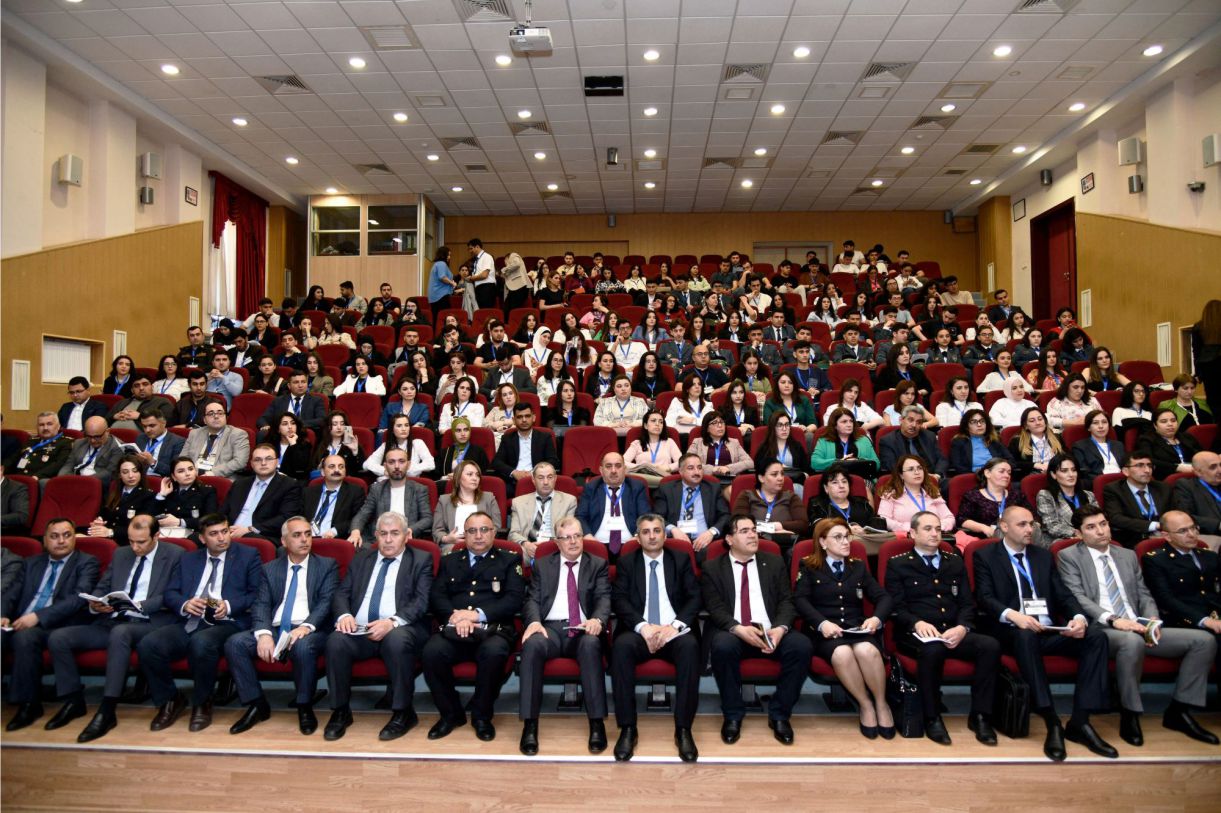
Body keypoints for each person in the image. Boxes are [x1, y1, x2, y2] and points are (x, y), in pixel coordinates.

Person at [1058, 505, 1218, 746]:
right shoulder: (1069, 556)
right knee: (1131, 641)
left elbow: (1143, 594)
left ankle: (1180, 710)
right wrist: (1114, 619)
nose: (1101, 531)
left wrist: (1152, 620)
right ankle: (1130, 712)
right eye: (1091, 527)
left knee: (1203, 641)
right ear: (1078, 534)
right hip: (1102, 628)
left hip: (1138, 625)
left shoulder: (1127, 555)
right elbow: (1077, 597)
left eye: (1103, 524)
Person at [973, 506, 1116, 761]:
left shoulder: (1043, 556)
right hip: (1011, 631)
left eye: (1032, 524)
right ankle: (1051, 720)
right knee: (1025, 635)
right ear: (1004, 527)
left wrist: (1078, 618)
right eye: (1022, 525)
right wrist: (1014, 615)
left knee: (1096, 636)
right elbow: (984, 597)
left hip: (1049, 630)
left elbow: (1063, 595)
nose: (1030, 529)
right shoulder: (985, 555)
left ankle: (1081, 721)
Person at [48, 514, 183, 742]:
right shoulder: (121, 554)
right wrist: (96, 603)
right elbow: (103, 586)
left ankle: (107, 709)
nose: (135, 547)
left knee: (121, 633)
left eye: (141, 542)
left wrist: (139, 605)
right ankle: (73, 700)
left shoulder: (175, 554)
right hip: (112, 620)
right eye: (131, 541)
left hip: (150, 622)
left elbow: (172, 595)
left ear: (156, 536)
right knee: (59, 638)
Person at [136, 514, 261, 733]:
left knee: (201, 642)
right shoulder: (188, 559)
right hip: (190, 620)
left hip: (227, 622)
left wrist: (229, 605)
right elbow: (170, 593)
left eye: (225, 531)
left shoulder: (248, 555)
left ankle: (202, 702)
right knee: (149, 644)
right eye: (214, 534)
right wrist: (185, 604)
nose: (221, 538)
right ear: (202, 539)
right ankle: (170, 699)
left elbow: (257, 593)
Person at [885, 510, 1000, 746]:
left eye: (938, 529)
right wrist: (916, 623)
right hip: (916, 633)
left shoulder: (954, 561)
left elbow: (967, 603)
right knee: (933, 649)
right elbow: (896, 607)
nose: (934, 533)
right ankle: (932, 717)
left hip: (952, 631)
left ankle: (980, 716)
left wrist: (963, 628)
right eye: (927, 529)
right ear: (913, 533)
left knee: (989, 646)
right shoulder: (898, 564)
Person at [701, 514, 814, 746]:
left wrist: (780, 629)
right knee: (722, 645)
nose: (752, 535)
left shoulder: (774, 562)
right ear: (729, 539)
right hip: (734, 631)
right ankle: (732, 714)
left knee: (801, 645)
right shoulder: (712, 567)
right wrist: (738, 629)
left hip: (770, 630)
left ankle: (780, 714)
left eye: (753, 530)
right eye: (744, 531)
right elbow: (715, 608)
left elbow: (786, 601)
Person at [323, 511, 434, 741]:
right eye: (383, 534)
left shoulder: (421, 559)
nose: (388, 539)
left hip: (402, 627)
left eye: (395, 533)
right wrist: (344, 615)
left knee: (397, 640)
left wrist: (391, 622)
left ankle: (403, 712)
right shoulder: (362, 558)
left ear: (407, 535)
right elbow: (342, 593)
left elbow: (421, 602)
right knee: (336, 640)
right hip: (361, 629)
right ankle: (341, 711)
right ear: (376, 535)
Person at [224, 516, 339, 736]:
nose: (304, 540)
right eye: (297, 535)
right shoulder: (270, 569)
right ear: (284, 541)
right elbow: (261, 604)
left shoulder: (326, 565)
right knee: (235, 643)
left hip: (310, 629)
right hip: (277, 628)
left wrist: (306, 627)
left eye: (308, 534)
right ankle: (257, 704)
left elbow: (326, 603)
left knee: (303, 646)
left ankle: (304, 705)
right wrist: (264, 634)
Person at [423, 511, 526, 742]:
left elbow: (514, 599)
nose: (478, 536)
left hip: (493, 630)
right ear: (465, 535)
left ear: (493, 532)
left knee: (494, 652)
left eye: (484, 530)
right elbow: (437, 596)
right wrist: (455, 617)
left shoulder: (509, 560)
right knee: (431, 651)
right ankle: (451, 714)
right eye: (472, 531)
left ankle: (482, 716)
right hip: (454, 628)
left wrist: (476, 615)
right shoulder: (449, 560)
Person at [610, 513, 701, 762]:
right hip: (640, 631)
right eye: (646, 532)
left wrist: (675, 626)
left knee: (690, 647)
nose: (652, 536)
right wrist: (643, 627)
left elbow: (695, 597)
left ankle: (683, 729)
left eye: (657, 530)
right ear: (637, 538)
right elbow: (619, 599)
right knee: (621, 647)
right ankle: (628, 728)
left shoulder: (680, 559)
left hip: (674, 631)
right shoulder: (627, 562)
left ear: (664, 535)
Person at [517, 516, 611, 756]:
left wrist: (597, 620)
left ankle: (597, 723)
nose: (573, 542)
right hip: (549, 629)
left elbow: (603, 598)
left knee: (591, 645)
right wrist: (534, 622)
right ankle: (530, 725)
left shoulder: (597, 563)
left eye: (577, 536)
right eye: (566, 538)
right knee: (532, 645)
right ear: (557, 542)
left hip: (582, 628)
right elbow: (532, 599)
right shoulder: (542, 565)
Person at [793, 517, 894, 739]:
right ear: (822, 542)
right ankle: (865, 704)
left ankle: (881, 703)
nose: (845, 542)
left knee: (867, 651)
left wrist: (876, 619)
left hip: (855, 628)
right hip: (825, 633)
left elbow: (883, 597)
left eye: (847, 537)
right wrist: (821, 623)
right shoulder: (808, 566)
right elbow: (800, 600)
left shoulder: (857, 566)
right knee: (842, 653)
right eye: (838, 537)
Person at [1, 518, 101, 731]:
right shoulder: (31, 563)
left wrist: (38, 616)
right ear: (45, 540)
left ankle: (29, 704)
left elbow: (78, 599)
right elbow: (11, 594)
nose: (61, 541)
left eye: (67, 535)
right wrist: (3, 614)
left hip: (59, 624)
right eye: (54, 536)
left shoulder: (86, 562)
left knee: (25, 637)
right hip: (22, 620)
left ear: (74, 538)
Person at [1142, 510, 1221, 687]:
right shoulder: (1156, 560)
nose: (1192, 534)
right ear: (1166, 536)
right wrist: (1205, 620)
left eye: (1193, 528)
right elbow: (1166, 599)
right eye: (1183, 531)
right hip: (1183, 619)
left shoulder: (1209, 556)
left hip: (1214, 615)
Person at [347, 448, 433, 546]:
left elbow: (427, 518)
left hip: (406, 539)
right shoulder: (376, 489)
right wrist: (355, 531)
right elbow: (363, 514)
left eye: (401, 461)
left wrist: (411, 530)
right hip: (378, 539)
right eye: (391, 462)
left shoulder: (419, 489)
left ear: (408, 465)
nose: (397, 466)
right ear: (385, 466)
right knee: (354, 546)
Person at [576, 453, 651, 558]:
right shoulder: (591, 487)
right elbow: (580, 516)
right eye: (608, 466)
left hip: (630, 543)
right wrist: (588, 535)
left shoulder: (636, 487)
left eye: (618, 466)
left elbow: (645, 516)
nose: (613, 470)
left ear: (625, 469)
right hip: (597, 543)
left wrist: (636, 536)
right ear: (601, 470)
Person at [655, 454, 731, 556]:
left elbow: (725, 515)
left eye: (699, 468)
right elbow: (657, 516)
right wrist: (673, 529)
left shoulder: (713, 488)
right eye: (691, 468)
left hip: (705, 543)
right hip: (676, 541)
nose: (697, 472)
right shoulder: (667, 489)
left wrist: (711, 532)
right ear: (680, 471)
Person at [732, 461, 807, 557]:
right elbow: (738, 522)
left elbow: (803, 524)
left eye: (782, 474)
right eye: (774, 474)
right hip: (753, 545)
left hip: (785, 548)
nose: (780, 478)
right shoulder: (746, 496)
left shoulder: (791, 497)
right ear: (761, 478)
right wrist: (774, 529)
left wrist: (778, 525)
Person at [507, 462, 577, 563]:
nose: (545, 482)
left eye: (550, 477)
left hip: (555, 548)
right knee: (512, 557)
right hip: (528, 548)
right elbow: (513, 533)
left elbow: (569, 532)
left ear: (555, 478)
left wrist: (548, 546)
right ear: (533, 480)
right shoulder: (518, 502)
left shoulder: (569, 501)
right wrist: (526, 544)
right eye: (540, 478)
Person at [1102, 451, 1173, 547]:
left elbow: (1176, 512)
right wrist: (1155, 525)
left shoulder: (1163, 488)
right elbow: (1116, 518)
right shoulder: (1114, 490)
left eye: (1149, 466)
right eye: (1140, 465)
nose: (1147, 470)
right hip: (1133, 540)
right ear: (1126, 471)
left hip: (1167, 538)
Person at [433, 460, 502, 554]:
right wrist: (447, 538)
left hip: (483, 543)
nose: (475, 478)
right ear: (458, 477)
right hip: (453, 545)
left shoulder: (489, 498)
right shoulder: (444, 500)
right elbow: (437, 530)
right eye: (470, 474)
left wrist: (481, 538)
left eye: (477, 475)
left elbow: (496, 526)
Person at [956, 457, 1030, 542]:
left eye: (1009, 473)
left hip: (1016, 539)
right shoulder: (973, 496)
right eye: (1001, 471)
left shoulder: (1017, 495)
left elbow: (1032, 517)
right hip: (984, 540)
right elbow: (962, 520)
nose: (1007, 476)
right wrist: (983, 528)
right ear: (987, 473)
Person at [86, 455, 156, 544]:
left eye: (135, 471)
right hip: (105, 536)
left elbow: (141, 528)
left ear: (141, 473)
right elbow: (103, 514)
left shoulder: (148, 496)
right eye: (125, 472)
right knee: (77, 532)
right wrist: (99, 521)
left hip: (126, 541)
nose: (130, 476)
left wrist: (110, 532)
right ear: (119, 475)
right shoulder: (113, 493)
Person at [877, 455, 956, 534]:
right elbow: (884, 519)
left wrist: (936, 528)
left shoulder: (933, 493)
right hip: (905, 537)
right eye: (911, 469)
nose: (917, 472)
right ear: (901, 475)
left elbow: (949, 518)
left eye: (920, 468)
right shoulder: (890, 495)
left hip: (934, 536)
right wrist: (913, 528)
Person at [492, 402, 560, 490]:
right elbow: (497, 462)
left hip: (539, 480)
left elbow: (553, 460)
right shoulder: (507, 438)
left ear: (533, 417)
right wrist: (514, 472)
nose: (524, 420)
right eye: (519, 417)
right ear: (514, 420)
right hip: (513, 482)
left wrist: (535, 472)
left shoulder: (545, 437)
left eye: (527, 416)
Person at [806, 463, 885, 538]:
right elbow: (816, 528)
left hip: (864, 543)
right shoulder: (817, 505)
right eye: (835, 482)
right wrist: (846, 529)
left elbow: (878, 523)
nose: (841, 486)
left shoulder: (862, 503)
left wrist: (865, 531)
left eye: (844, 482)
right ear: (826, 488)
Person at [1036, 453, 1098, 542]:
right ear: (1053, 474)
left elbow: (1098, 519)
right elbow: (1052, 526)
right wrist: (1076, 533)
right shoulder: (1045, 495)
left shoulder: (1089, 495)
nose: (1071, 474)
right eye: (1064, 471)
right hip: (1062, 540)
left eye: (1073, 470)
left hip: (1092, 537)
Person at [302, 455, 366, 539]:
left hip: (335, 539)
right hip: (306, 538)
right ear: (322, 472)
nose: (337, 470)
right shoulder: (308, 492)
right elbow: (299, 517)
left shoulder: (355, 492)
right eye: (332, 466)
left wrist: (335, 531)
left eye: (341, 467)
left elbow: (358, 519)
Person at [181, 402, 251, 478]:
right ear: (204, 420)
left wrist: (212, 473)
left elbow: (240, 462)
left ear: (225, 417)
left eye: (220, 413)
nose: (216, 416)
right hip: (192, 477)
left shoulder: (238, 434)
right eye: (211, 414)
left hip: (221, 478)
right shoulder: (194, 433)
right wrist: (190, 473)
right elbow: (182, 458)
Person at [879, 405, 949, 480]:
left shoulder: (929, 436)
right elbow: (892, 467)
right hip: (905, 481)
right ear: (901, 420)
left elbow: (942, 459)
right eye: (910, 420)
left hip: (932, 478)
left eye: (918, 422)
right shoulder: (888, 441)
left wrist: (937, 475)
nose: (914, 425)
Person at [811, 407, 880, 478]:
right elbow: (814, 462)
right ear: (835, 425)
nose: (849, 425)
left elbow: (877, 464)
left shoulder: (864, 440)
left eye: (851, 421)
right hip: (834, 479)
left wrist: (858, 461)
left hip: (862, 478)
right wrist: (839, 462)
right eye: (844, 422)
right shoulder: (824, 441)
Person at [59, 416, 123, 488]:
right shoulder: (79, 443)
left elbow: (109, 473)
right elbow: (68, 465)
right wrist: (62, 479)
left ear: (107, 431)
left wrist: (81, 481)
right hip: (74, 480)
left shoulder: (117, 447)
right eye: (89, 436)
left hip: (95, 485)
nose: (92, 441)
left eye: (97, 437)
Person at [687, 412, 753, 482]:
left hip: (729, 480)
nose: (720, 425)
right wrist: (712, 469)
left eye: (721, 422)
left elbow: (749, 462)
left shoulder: (734, 443)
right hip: (704, 480)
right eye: (714, 423)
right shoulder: (697, 442)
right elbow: (688, 462)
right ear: (707, 428)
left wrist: (729, 468)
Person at [622, 410, 682, 485]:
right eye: (653, 421)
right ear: (645, 425)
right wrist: (642, 467)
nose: (657, 424)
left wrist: (668, 467)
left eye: (661, 422)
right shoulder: (637, 443)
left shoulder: (669, 442)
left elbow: (682, 462)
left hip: (663, 480)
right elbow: (622, 462)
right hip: (641, 480)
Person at [364, 414, 434, 479]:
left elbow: (430, 464)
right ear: (392, 430)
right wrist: (386, 471)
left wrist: (407, 469)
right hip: (387, 482)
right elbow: (367, 464)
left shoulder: (417, 443)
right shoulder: (386, 446)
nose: (404, 429)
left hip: (410, 483)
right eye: (399, 426)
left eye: (406, 425)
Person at [1071, 409, 1125, 491]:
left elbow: (1126, 466)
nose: (1101, 426)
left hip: (1122, 482)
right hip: (1101, 485)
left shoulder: (1118, 445)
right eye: (1096, 423)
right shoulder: (1080, 446)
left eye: (1104, 422)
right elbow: (1084, 472)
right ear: (1089, 428)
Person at [1174, 452, 1221, 543]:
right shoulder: (1186, 486)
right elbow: (1186, 516)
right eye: (1213, 467)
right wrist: (1218, 524)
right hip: (1210, 535)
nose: (1220, 470)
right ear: (1198, 472)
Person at [257, 371, 326, 433]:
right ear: (289, 386)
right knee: (262, 433)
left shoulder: (316, 400)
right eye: (296, 382)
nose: (300, 385)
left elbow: (322, 420)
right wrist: (265, 425)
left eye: (303, 382)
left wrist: (296, 424)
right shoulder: (278, 401)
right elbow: (263, 419)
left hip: (304, 433)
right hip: (281, 434)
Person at [9, 412, 73, 479]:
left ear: (58, 426)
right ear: (37, 427)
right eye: (41, 425)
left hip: (40, 479)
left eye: (49, 424)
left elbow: (58, 464)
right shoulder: (31, 441)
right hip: (19, 478)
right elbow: (13, 459)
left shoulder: (66, 442)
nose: (45, 428)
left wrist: (37, 476)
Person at [949, 409, 1012, 476]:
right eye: (974, 422)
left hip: (997, 476)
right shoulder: (959, 442)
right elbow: (958, 466)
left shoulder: (994, 440)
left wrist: (1001, 470)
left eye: (982, 421)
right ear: (966, 426)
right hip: (972, 477)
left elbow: (1010, 460)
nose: (979, 424)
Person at [105, 373, 174, 432]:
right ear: (132, 390)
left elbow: (167, 422)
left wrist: (140, 416)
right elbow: (105, 420)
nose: (141, 388)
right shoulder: (122, 402)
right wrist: (113, 417)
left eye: (145, 384)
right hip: (111, 438)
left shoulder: (162, 401)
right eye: (137, 386)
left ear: (152, 387)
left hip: (142, 439)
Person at [1008, 406, 1063, 479]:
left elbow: (1067, 458)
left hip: (1057, 476)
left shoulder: (1057, 437)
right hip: (1031, 478)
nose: (1038, 423)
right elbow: (1011, 463)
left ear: (1045, 422)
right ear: (1026, 426)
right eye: (1032, 421)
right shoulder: (1017, 441)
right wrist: (1034, 465)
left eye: (1040, 419)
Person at [310, 410, 363, 478]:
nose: (339, 427)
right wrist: (319, 468)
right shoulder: (320, 443)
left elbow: (359, 470)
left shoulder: (352, 444)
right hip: (322, 479)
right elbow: (312, 466)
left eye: (342, 424)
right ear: (328, 427)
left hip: (344, 481)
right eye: (335, 424)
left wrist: (355, 452)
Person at [1192, 299, 1221, 421]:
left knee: (1213, 401)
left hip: (1208, 367)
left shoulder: (1199, 327)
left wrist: (1198, 373)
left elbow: (1196, 351)